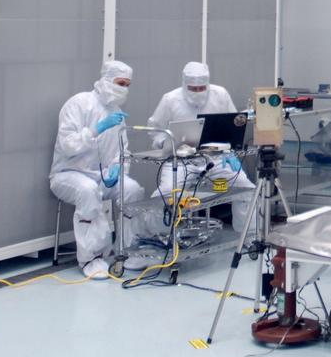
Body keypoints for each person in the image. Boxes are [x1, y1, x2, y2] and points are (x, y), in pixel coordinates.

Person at [50, 61, 154, 278]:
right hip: (68, 174)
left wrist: (118, 167)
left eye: (127, 85)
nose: (123, 89)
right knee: (88, 190)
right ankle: (91, 258)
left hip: (103, 176)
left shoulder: (116, 112)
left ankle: (128, 250)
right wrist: (95, 130)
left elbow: (122, 150)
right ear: (106, 80)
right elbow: (67, 145)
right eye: (120, 83)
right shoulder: (79, 103)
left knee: (132, 190)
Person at [149, 62, 255, 237]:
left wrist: (230, 150)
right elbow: (155, 129)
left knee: (246, 189)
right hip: (181, 161)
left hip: (216, 159)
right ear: (184, 84)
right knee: (165, 193)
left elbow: (234, 123)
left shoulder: (220, 95)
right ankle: (160, 239)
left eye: (201, 88)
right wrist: (166, 144)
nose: (197, 92)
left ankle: (248, 238)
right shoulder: (170, 100)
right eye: (193, 88)